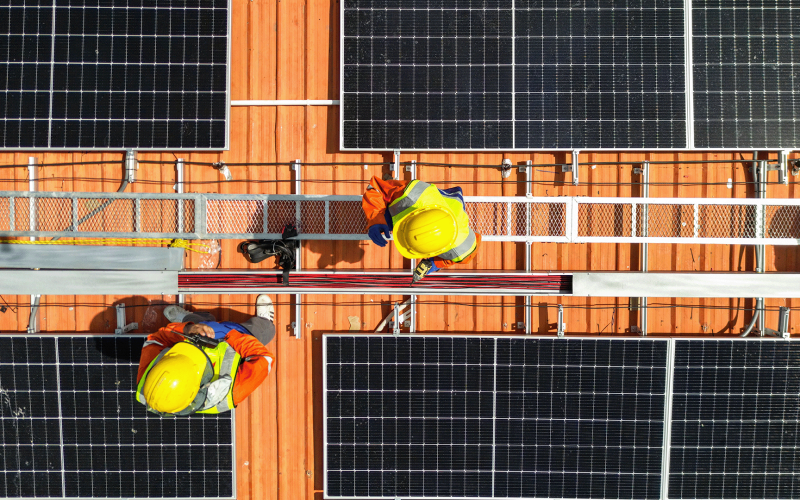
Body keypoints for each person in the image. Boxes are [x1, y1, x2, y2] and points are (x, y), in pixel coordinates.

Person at [135, 295, 276, 416]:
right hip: (236, 343)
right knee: (264, 331)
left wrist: (187, 328)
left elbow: (156, 339)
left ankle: (190, 319)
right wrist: (230, 334)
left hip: (195, 334)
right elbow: (264, 358)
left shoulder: (148, 384)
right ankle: (265, 322)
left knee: (197, 322)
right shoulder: (230, 392)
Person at [362, 175, 481, 280]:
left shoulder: (462, 248)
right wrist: (375, 218)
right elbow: (375, 187)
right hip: (420, 202)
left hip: (451, 210)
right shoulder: (412, 195)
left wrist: (434, 263)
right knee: (389, 212)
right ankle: (391, 191)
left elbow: (464, 254)